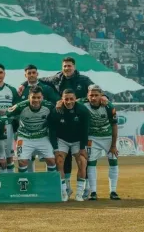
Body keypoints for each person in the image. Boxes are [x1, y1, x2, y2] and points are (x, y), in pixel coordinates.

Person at [18, 57, 100, 196]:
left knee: (83, 159)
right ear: (62, 67)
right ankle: (65, 188)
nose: (67, 68)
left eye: (69, 66)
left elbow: (95, 91)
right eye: (65, 66)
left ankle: (87, 189)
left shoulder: (84, 80)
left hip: (79, 123)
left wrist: (103, 97)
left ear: (74, 66)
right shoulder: (56, 78)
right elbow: (37, 79)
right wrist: (23, 84)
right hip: (63, 124)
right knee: (62, 159)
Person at [49, 89, 90, 202]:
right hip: (62, 140)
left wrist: (82, 148)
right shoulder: (56, 110)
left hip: (77, 140)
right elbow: (52, 131)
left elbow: (85, 131)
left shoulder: (82, 110)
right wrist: (56, 148)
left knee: (82, 161)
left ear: (75, 99)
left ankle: (79, 194)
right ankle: (64, 192)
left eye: (71, 99)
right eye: (66, 99)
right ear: (62, 99)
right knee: (59, 161)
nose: (69, 101)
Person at [80, 85, 121, 200]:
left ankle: (113, 191)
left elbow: (114, 125)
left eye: (96, 95)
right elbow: (69, 100)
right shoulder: (83, 103)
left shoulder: (108, 106)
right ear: (87, 96)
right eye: (91, 95)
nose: (93, 98)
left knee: (113, 161)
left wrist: (113, 145)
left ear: (101, 95)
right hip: (92, 138)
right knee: (91, 163)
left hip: (108, 137)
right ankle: (93, 192)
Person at [7, 86, 56, 173]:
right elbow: (6, 114)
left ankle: (49, 185)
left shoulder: (49, 106)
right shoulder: (20, 106)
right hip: (24, 137)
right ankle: (25, 184)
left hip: (42, 137)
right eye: (33, 97)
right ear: (29, 97)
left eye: (38, 97)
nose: (36, 100)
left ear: (42, 98)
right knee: (22, 162)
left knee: (52, 161)